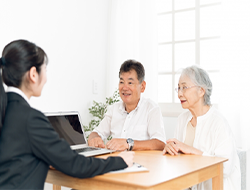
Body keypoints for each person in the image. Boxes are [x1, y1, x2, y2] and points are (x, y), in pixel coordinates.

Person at [0, 39, 134, 190]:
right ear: (33, 74)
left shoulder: (7, 112)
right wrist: (119, 161)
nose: (46, 78)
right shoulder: (30, 119)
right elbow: (76, 165)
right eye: (45, 69)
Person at [162, 65, 241, 190]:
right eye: (178, 88)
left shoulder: (219, 123)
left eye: (184, 87)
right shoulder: (182, 119)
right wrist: (171, 150)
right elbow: (178, 160)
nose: (180, 94)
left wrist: (191, 150)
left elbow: (225, 168)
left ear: (201, 91)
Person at [88, 60, 166, 151]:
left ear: (142, 86)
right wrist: (94, 139)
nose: (124, 88)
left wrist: (129, 143)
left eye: (130, 83)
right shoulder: (114, 109)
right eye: (121, 82)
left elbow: (160, 143)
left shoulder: (151, 108)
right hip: (116, 161)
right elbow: (95, 133)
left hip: (141, 162)